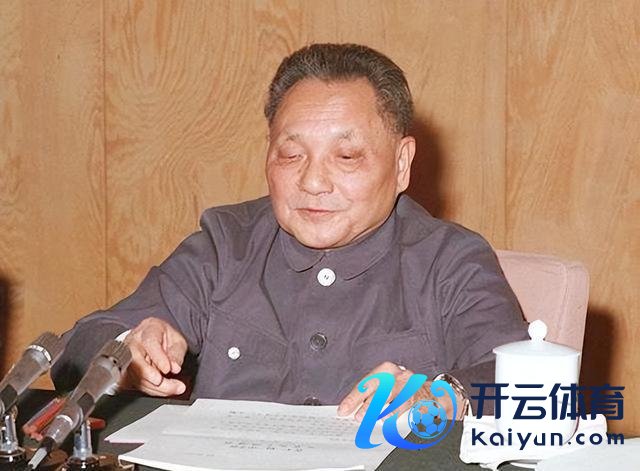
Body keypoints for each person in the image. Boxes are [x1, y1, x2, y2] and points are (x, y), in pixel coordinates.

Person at [51, 43, 528, 421]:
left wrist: (445, 396)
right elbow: (76, 348)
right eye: (290, 154)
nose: (313, 182)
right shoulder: (226, 244)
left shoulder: (450, 260)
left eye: (346, 156)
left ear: (401, 164)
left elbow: (526, 383)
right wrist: (126, 351)